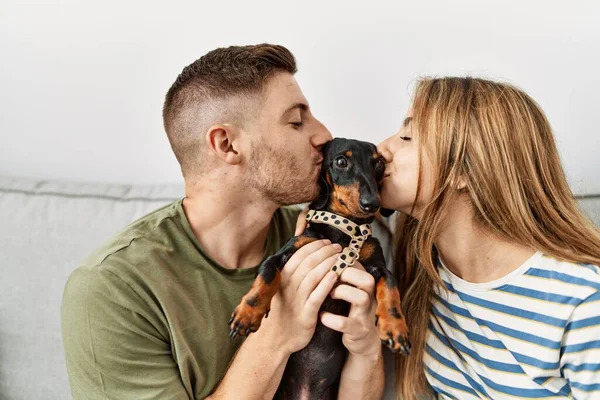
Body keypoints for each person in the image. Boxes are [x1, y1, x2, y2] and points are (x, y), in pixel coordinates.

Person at [61, 44, 385, 399]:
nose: (323, 135)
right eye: (296, 120)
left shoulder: (324, 233)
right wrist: (277, 332)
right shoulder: (114, 290)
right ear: (228, 144)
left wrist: (367, 349)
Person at [376, 77, 600, 399]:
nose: (382, 147)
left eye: (407, 136)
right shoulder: (426, 276)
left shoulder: (583, 303)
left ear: (463, 172)